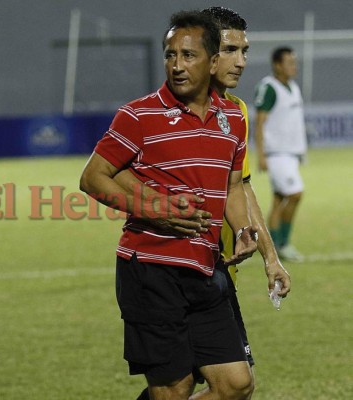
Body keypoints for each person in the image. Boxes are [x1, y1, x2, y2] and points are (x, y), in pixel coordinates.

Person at [80, 10, 258, 400]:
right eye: (170, 54)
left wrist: (244, 230)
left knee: (236, 385)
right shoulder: (139, 115)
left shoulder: (233, 119)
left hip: (206, 268)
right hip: (150, 271)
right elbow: (92, 178)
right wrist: (154, 210)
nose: (177, 66)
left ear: (212, 62)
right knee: (174, 389)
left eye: (188, 56)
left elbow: (231, 186)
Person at [130, 7, 291, 400]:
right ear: (209, 53)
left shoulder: (234, 113)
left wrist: (270, 257)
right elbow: (106, 177)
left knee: (226, 385)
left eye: (245, 50)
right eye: (231, 49)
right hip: (171, 271)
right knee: (197, 385)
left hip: (218, 269)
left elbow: (242, 188)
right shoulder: (160, 112)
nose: (241, 61)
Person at [254, 46, 307, 262]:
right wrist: (261, 155)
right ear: (277, 65)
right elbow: (260, 123)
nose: (294, 66)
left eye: (295, 62)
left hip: (290, 155)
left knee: (279, 200)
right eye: (289, 62)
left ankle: (274, 247)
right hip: (276, 154)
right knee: (295, 194)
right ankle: (282, 244)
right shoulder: (269, 88)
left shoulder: (293, 87)